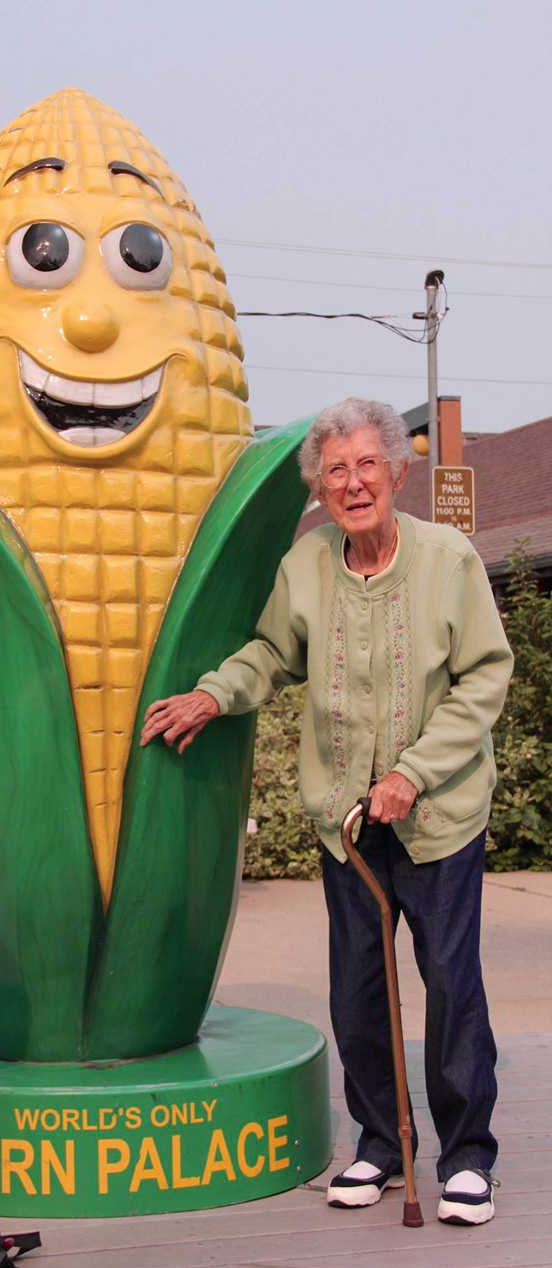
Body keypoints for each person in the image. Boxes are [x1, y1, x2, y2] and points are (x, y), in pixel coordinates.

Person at [141, 398, 513, 1226]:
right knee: (357, 988)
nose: (352, 483)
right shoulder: (307, 565)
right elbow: (274, 652)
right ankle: (381, 1144)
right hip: (347, 817)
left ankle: (467, 1154)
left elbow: (485, 677)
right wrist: (213, 694)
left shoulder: (449, 558)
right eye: (335, 470)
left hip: (440, 816)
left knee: (452, 983)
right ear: (321, 486)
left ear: (398, 471)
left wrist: (413, 773)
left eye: (367, 464)